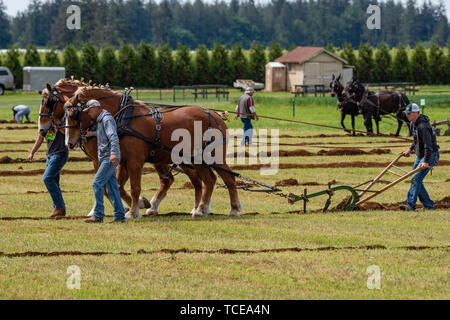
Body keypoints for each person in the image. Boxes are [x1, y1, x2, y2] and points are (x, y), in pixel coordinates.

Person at [83, 100, 125, 223]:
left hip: (108, 157)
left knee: (97, 183)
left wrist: (114, 154)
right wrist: (93, 133)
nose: (89, 114)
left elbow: (113, 137)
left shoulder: (106, 119)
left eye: (89, 111)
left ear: (96, 108)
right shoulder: (101, 120)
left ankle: (98, 215)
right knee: (112, 188)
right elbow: (105, 134)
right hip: (105, 157)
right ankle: (119, 216)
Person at [400, 103, 440, 212]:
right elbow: (416, 140)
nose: (407, 116)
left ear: (416, 113)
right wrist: (410, 149)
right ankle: (429, 205)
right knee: (416, 179)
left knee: (416, 178)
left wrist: (426, 162)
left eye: (409, 113)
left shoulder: (423, 126)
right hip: (421, 155)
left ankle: (410, 204)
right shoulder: (413, 123)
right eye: (406, 113)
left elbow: (428, 146)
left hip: (430, 155)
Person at [27, 119, 68, 218]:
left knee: (47, 178)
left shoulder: (62, 122)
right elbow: (40, 138)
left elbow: (68, 134)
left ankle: (60, 206)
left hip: (60, 154)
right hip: (49, 155)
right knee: (54, 181)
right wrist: (32, 152)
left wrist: (58, 126)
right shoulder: (45, 125)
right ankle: (59, 210)